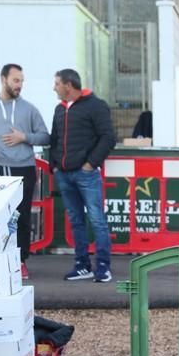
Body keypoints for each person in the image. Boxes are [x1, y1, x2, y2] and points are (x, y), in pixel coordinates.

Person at [0, 63, 50, 280]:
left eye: (22, 81)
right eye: (16, 80)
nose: (20, 85)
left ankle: (21, 261)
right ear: (3, 79)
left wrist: (25, 137)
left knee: (20, 216)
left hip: (24, 168)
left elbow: (45, 136)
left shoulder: (30, 109)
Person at [49, 68, 116, 283]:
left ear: (68, 85)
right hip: (64, 175)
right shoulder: (59, 110)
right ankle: (82, 265)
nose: (54, 88)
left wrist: (90, 164)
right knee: (76, 221)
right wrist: (55, 166)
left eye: (57, 84)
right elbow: (55, 139)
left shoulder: (96, 106)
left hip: (86, 174)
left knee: (97, 220)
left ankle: (103, 267)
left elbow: (108, 137)